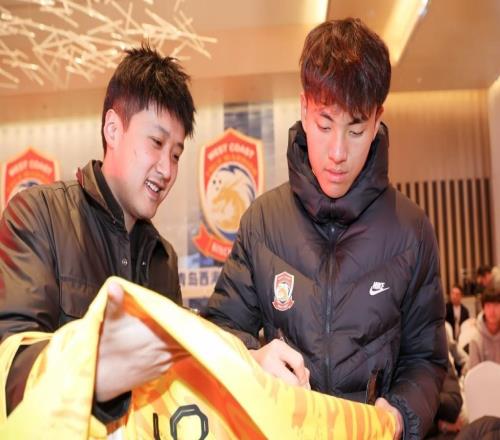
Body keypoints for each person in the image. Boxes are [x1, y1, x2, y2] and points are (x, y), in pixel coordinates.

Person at [206, 18, 448, 440]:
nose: (338, 152)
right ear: (303, 109)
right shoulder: (263, 222)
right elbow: (217, 335)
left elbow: (426, 359)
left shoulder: (411, 230)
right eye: (324, 125)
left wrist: (401, 414)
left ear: (377, 120)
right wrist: (254, 360)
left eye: (356, 129)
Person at [0, 44, 195, 421]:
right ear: (113, 129)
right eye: (156, 143)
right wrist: (95, 373)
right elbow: (11, 367)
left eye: (175, 154)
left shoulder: (163, 258)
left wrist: (246, 363)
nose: (167, 169)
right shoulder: (38, 216)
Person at [466, 288, 500, 371]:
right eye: (488, 306)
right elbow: (475, 373)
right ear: (483, 309)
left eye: (496, 305)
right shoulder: (475, 339)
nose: (492, 311)